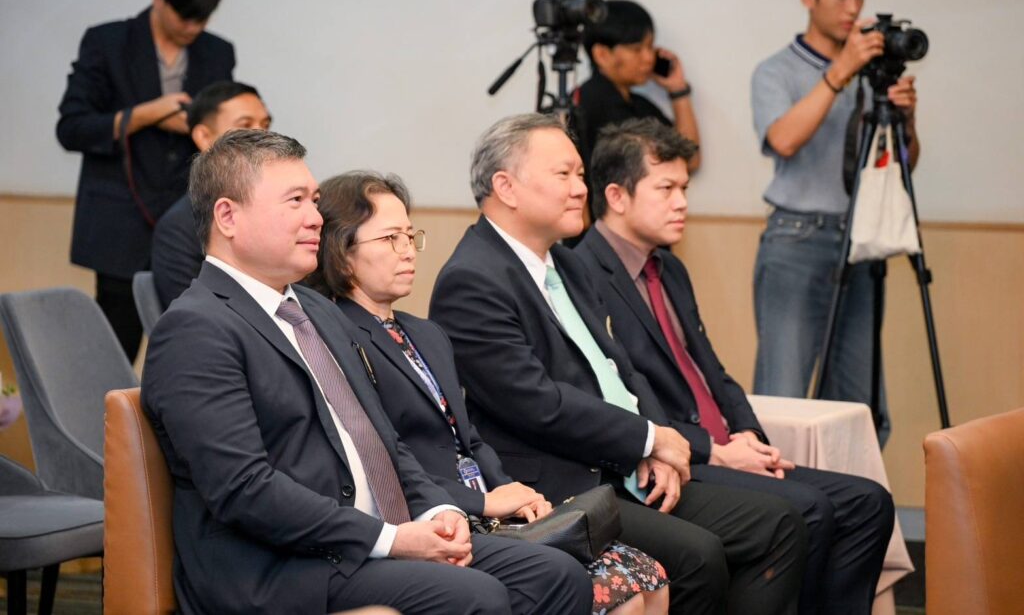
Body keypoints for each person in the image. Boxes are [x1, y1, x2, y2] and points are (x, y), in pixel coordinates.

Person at [141, 129, 592, 615]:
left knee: (556, 575)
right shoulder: (196, 328)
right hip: (280, 566)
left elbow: (381, 440)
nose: (315, 218)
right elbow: (243, 488)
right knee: (475, 596)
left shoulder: (314, 308)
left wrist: (439, 511)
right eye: (295, 201)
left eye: (314, 201)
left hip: (369, 541)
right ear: (228, 216)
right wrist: (390, 539)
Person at [430, 113, 807, 615]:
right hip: (558, 485)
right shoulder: (472, 280)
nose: (580, 189)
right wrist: (648, 440)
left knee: (780, 522)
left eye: (580, 174)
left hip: (617, 461)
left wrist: (654, 442)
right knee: (698, 556)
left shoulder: (563, 262)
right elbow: (537, 404)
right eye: (563, 175)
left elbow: (621, 369)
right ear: (506, 187)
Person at [307, 170, 671, 615]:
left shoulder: (425, 333)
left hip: (489, 509)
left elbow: (469, 437)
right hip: (434, 514)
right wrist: (482, 501)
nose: (407, 251)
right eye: (390, 239)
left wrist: (511, 488)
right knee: (621, 593)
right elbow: (389, 456)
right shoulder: (340, 338)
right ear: (342, 254)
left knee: (647, 575)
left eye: (410, 236)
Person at [576, 118, 895, 615]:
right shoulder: (582, 274)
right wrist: (718, 451)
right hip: (675, 454)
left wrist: (749, 435)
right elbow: (624, 399)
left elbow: (713, 372)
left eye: (685, 188)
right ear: (616, 196)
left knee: (868, 502)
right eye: (666, 188)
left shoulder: (669, 268)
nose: (682, 202)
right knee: (810, 509)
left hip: (723, 445)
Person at [750, 0, 920, 444]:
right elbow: (783, 140)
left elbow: (902, 164)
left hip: (861, 241)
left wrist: (906, 119)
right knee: (782, 398)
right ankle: (774, 494)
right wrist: (839, 73)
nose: (853, 8)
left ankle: (851, 494)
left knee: (861, 405)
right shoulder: (775, 71)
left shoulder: (874, 72)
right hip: (797, 240)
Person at [56, 0, 235, 362]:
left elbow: (220, 130)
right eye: (184, 15)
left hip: (188, 223)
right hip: (120, 222)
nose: (193, 26)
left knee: (195, 343)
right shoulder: (107, 42)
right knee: (114, 353)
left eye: (203, 17)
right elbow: (72, 128)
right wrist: (146, 115)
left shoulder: (218, 52)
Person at [151, 81, 271, 308]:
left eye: (265, 125)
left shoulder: (279, 206)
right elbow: (190, 314)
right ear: (204, 137)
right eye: (245, 125)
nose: (261, 136)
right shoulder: (181, 227)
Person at [574, 0, 700, 199]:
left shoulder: (637, 103)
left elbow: (690, 158)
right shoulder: (593, 101)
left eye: (650, 47)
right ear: (602, 54)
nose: (649, 58)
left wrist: (678, 90)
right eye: (637, 49)